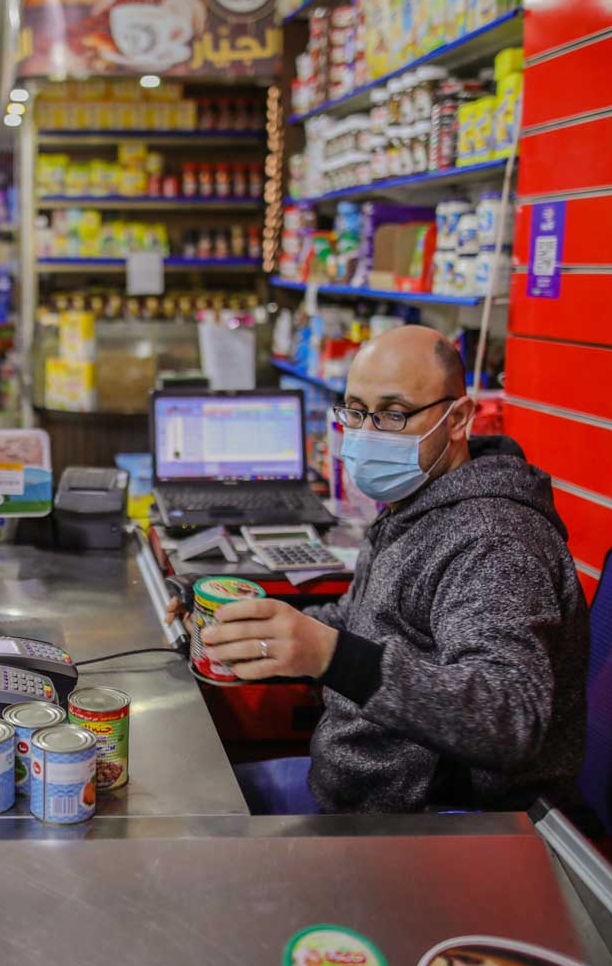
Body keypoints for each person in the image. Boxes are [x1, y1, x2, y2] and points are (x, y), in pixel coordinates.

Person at [173, 325, 589, 817]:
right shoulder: (416, 502)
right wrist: (253, 627)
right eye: (354, 410)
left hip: (426, 825)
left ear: (457, 418)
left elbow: (507, 718)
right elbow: (362, 621)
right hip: (351, 787)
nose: (366, 433)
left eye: (393, 414)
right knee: (180, 803)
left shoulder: (494, 542)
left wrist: (329, 656)